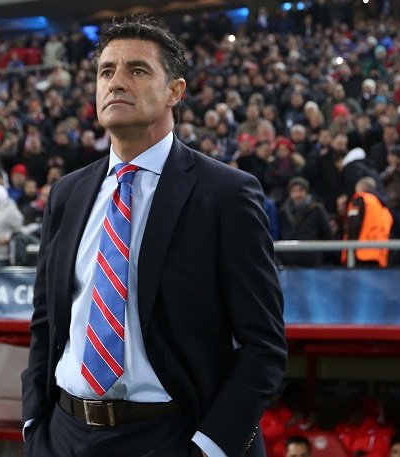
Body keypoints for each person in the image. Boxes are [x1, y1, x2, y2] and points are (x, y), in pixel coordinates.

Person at [21, 16, 286, 457]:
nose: (115, 82)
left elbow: (264, 346)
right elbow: (45, 322)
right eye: (106, 71)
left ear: (174, 92)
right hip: (63, 435)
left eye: (137, 70)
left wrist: (209, 447)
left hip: (171, 436)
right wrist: (34, 424)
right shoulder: (66, 194)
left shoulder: (226, 194)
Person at [278, 178, 332, 267]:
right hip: (288, 261)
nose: (297, 194)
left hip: (312, 261)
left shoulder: (317, 210)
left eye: (300, 190)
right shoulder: (283, 212)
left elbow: (327, 233)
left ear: (306, 192)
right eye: (294, 191)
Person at [342, 177, 393, 268]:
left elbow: (353, 225)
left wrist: (349, 251)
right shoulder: (383, 207)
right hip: (380, 255)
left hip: (361, 253)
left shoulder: (361, 199)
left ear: (360, 188)